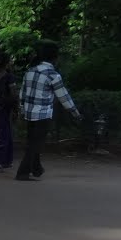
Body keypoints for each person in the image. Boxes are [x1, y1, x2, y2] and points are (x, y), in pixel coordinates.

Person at [15, 41, 81, 181]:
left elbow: (22, 93)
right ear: (55, 58)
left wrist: (21, 109)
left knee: (32, 141)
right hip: (43, 114)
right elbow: (63, 96)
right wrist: (75, 112)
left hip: (29, 113)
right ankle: (23, 172)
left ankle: (36, 168)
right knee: (35, 144)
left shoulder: (30, 71)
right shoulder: (53, 75)